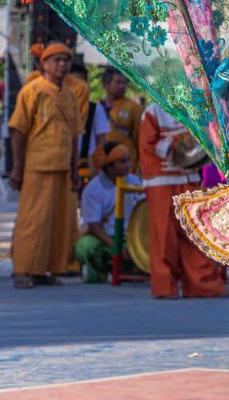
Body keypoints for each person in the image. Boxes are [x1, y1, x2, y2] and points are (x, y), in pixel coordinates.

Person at [8, 42, 82, 288]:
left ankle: (43, 270)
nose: (61, 64)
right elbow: (17, 131)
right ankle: (22, 270)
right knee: (33, 220)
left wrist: (75, 171)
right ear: (44, 64)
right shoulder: (32, 90)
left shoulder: (70, 95)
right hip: (37, 165)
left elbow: (74, 136)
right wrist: (17, 168)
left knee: (58, 222)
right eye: (56, 60)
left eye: (65, 60)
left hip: (62, 166)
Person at [140, 102, 225, 299]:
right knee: (163, 237)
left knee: (196, 234)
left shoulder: (192, 108)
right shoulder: (152, 111)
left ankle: (203, 285)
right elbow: (149, 143)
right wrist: (179, 146)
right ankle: (165, 286)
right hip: (161, 180)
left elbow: (205, 140)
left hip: (189, 178)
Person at [75, 142, 142, 283]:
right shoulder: (93, 189)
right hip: (106, 239)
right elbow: (93, 226)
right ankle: (98, 277)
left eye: (128, 160)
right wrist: (114, 246)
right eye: (122, 162)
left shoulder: (135, 182)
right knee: (85, 246)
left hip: (131, 237)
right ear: (109, 166)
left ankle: (132, 269)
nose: (128, 165)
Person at [98, 67, 143, 166]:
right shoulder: (97, 107)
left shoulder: (134, 108)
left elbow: (139, 139)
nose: (123, 86)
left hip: (126, 164)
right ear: (106, 85)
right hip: (103, 162)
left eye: (125, 82)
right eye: (118, 82)